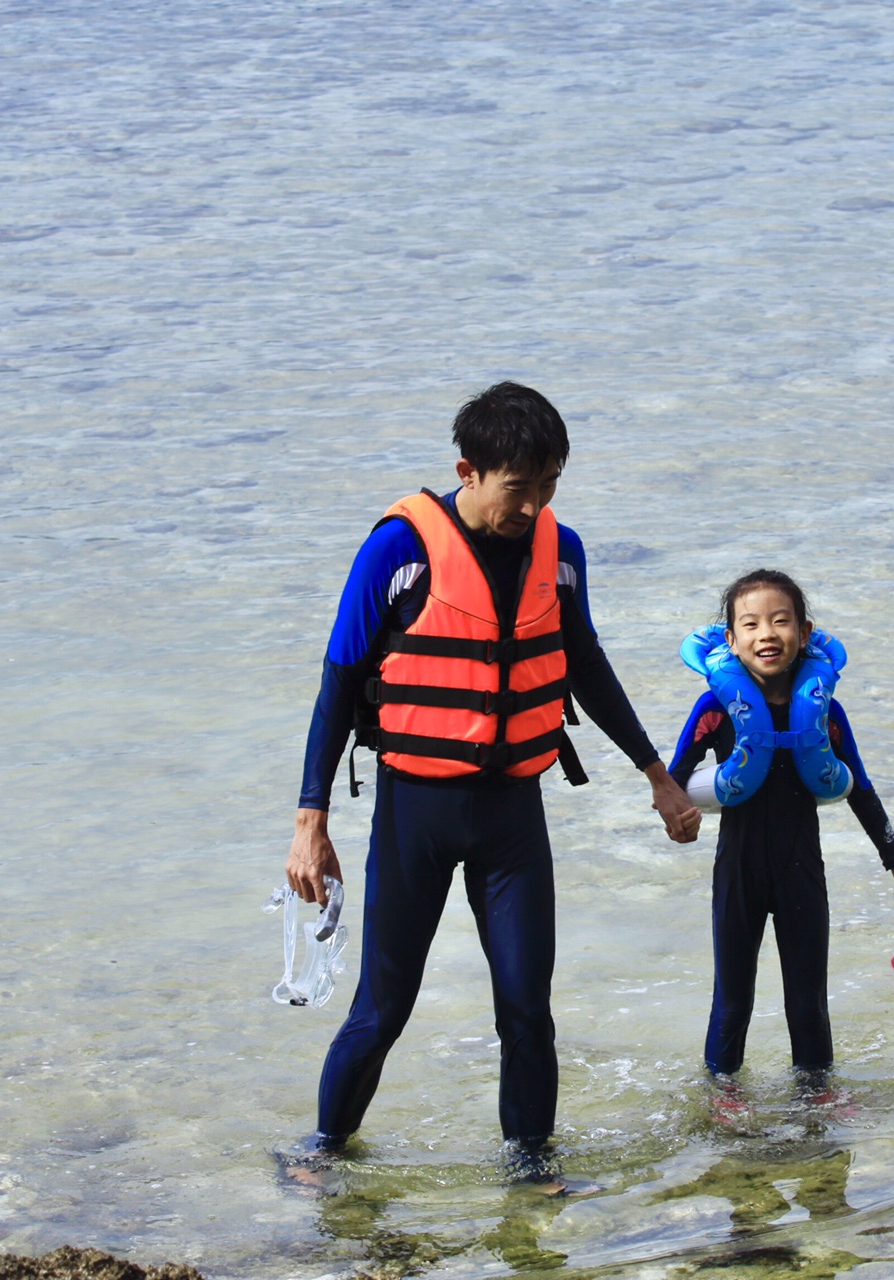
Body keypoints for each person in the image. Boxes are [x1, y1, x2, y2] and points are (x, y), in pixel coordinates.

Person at [285, 382, 700, 1176]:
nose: (533, 506)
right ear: (468, 471)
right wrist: (311, 821)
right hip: (418, 811)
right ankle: (323, 1156)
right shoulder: (397, 551)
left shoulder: (561, 551)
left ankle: (530, 1169)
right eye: (519, 488)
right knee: (383, 1011)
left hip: (514, 814)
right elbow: (338, 681)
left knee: (527, 1010)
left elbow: (586, 667)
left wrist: (658, 774)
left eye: (549, 487)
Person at [667, 569, 894, 1086]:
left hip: (801, 871)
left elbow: (862, 791)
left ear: (805, 634)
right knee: (732, 1001)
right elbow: (672, 781)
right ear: (731, 640)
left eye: (780, 621)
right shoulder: (717, 709)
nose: (766, 633)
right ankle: (723, 1099)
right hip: (737, 871)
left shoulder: (825, 713)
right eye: (751, 624)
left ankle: (816, 1103)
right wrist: (679, 819)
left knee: (808, 1002)